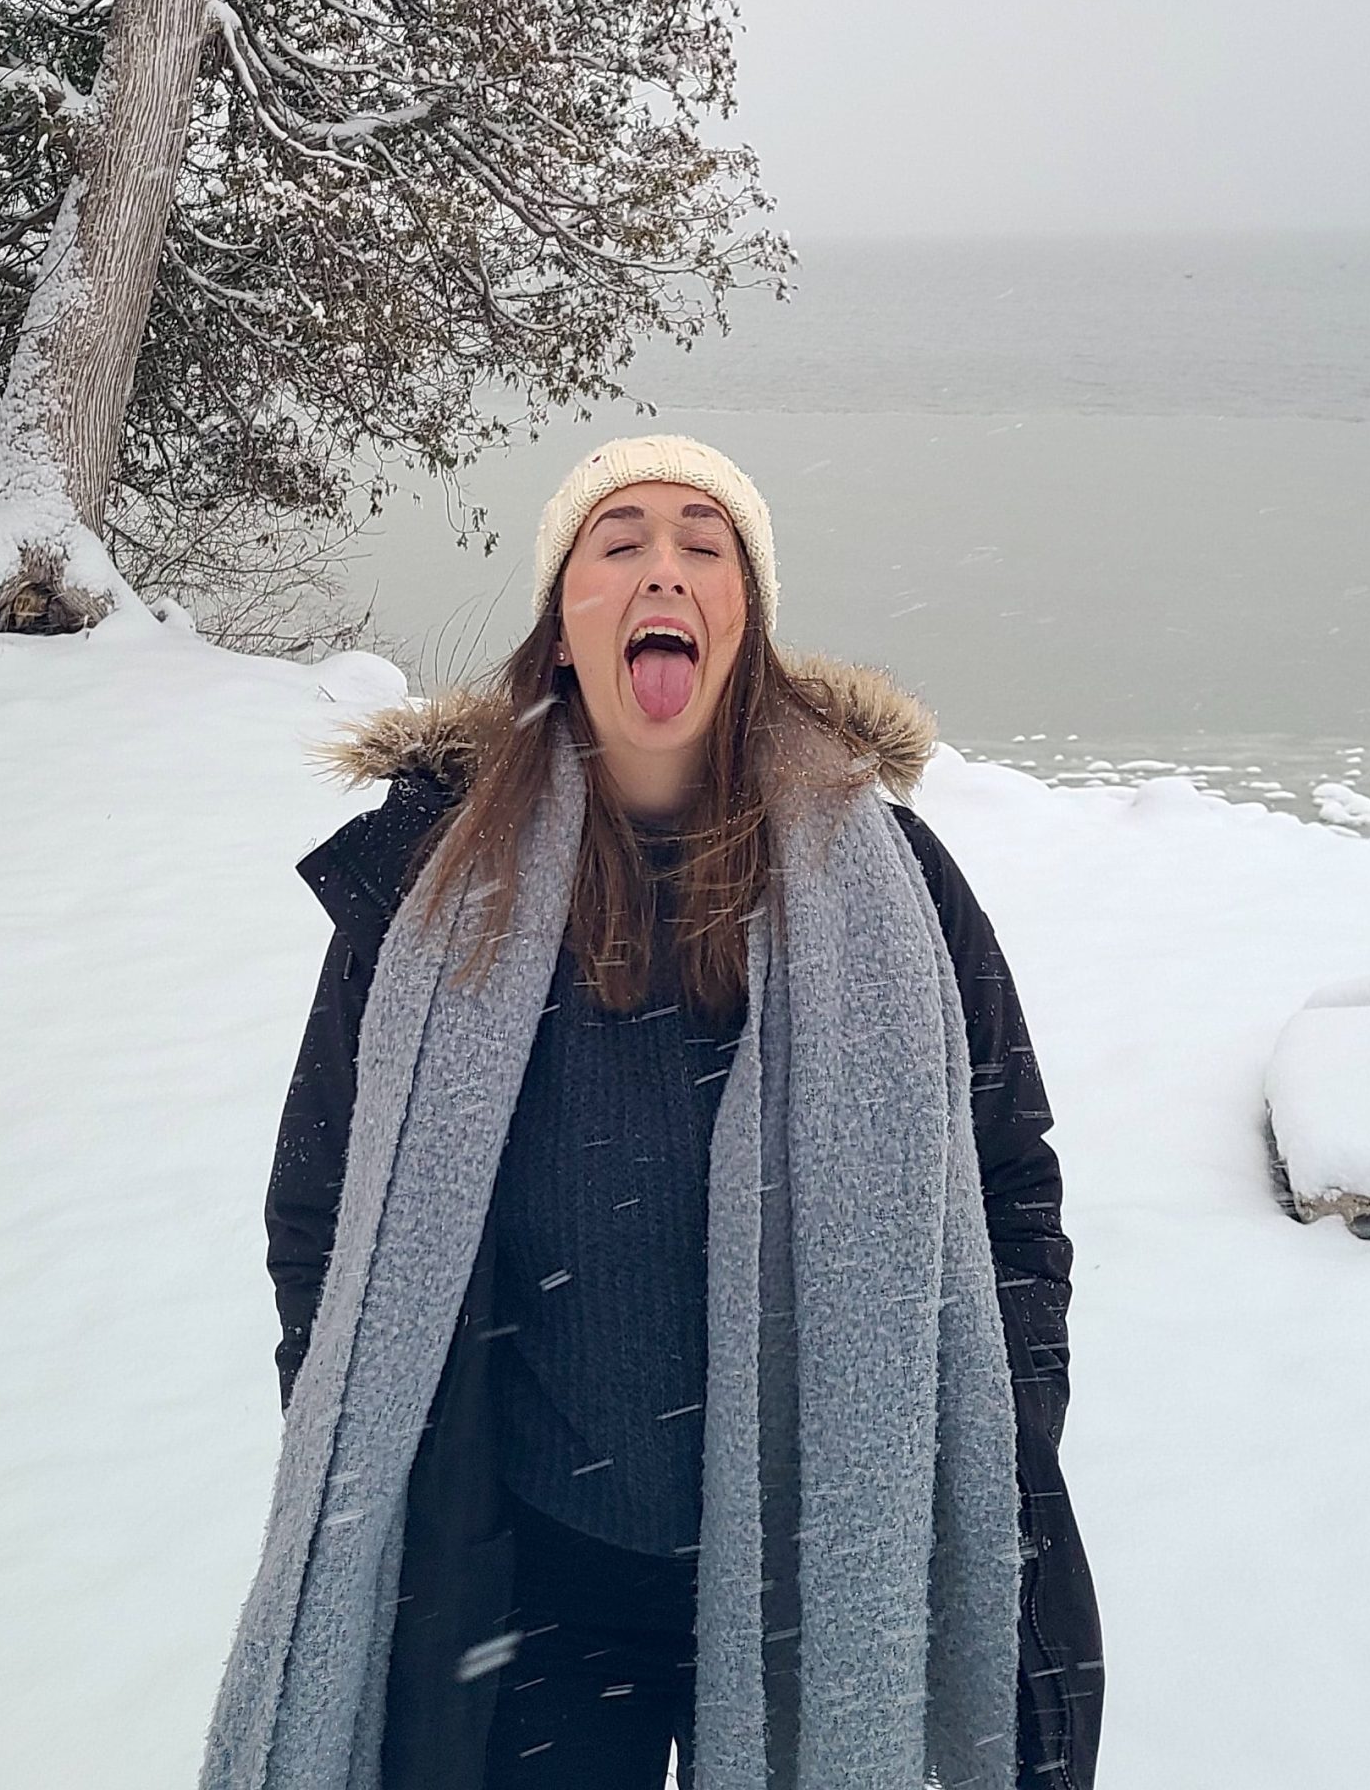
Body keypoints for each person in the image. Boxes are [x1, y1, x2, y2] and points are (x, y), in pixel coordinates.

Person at [202, 436, 1102, 1790]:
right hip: (532, 1598)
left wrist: (994, 1424)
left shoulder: (896, 890)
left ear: (750, 622)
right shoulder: (435, 889)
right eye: (617, 544)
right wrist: (364, 1465)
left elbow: (1009, 1187)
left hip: (817, 1565)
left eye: (704, 543)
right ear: (563, 627)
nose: (661, 568)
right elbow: (326, 1216)